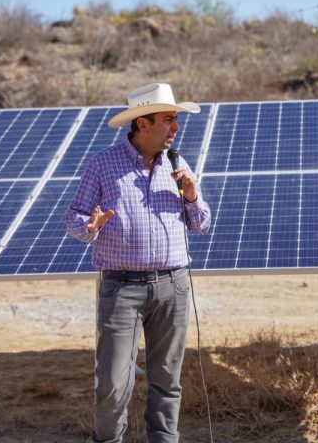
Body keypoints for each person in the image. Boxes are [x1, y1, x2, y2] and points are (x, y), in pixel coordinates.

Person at [66, 83, 211, 443]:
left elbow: (202, 224)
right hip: (122, 287)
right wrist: (90, 226)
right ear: (142, 124)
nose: (175, 128)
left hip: (174, 286)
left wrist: (192, 196)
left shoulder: (178, 164)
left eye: (176, 120)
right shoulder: (102, 165)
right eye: (168, 120)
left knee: (167, 381)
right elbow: (74, 218)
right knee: (114, 383)